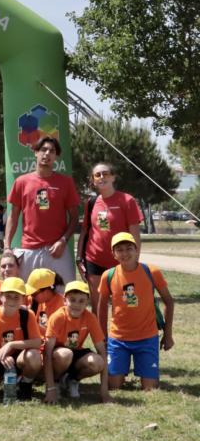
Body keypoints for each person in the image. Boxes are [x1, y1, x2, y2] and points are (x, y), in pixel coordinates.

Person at [98, 232, 175, 392]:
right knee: (113, 385)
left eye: (129, 248)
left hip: (147, 338)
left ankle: (145, 374)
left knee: (150, 388)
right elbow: (102, 307)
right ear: (113, 254)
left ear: (136, 249)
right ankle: (119, 373)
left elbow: (169, 301)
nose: (125, 253)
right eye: (119, 250)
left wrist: (167, 335)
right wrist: (102, 337)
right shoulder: (108, 276)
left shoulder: (151, 271)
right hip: (118, 339)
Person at [76, 162, 144, 334]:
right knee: (98, 304)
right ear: (93, 180)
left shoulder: (127, 200)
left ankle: (120, 338)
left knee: (122, 303)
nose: (101, 177)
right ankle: (101, 342)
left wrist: (134, 261)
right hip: (94, 259)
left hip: (120, 261)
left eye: (105, 173)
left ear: (113, 177)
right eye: (97, 175)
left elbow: (135, 235)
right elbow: (85, 231)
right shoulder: (91, 202)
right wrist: (79, 257)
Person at [5, 136, 80, 284]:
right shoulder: (21, 182)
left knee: (67, 292)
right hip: (29, 250)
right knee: (26, 294)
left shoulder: (66, 182)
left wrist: (63, 241)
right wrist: (7, 246)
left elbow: (74, 218)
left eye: (52, 151)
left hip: (57, 251)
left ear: (56, 156)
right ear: (36, 152)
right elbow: (13, 217)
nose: (47, 154)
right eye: (43, 149)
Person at [42, 281, 110, 404]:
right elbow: (47, 352)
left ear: (87, 303)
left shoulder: (90, 318)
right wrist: (50, 389)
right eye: (72, 300)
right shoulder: (57, 317)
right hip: (57, 356)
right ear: (64, 300)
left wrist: (104, 392)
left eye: (81, 301)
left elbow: (102, 351)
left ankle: (72, 380)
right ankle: (55, 382)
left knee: (98, 362)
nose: (76, 305)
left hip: (76, 353)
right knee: (65, 354)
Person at [24, 268, 65, 334]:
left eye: (34, 294)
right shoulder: (39, 300)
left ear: (46, 291)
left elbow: (55, 333)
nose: (31, 296)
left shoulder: (61, 306)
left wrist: (31, 324)